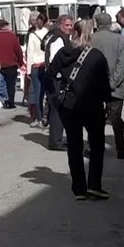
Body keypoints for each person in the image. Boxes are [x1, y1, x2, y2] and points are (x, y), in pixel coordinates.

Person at [47, 20, 112, 200]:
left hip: (68, 105)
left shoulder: (62, 53)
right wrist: (107, 102)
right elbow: (104, 84)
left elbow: (49, 75)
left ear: (74, 32)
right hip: (92, 105)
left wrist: (55, 97)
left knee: (74, 147)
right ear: (91, 33)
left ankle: (79, 189)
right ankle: (94, 185)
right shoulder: (96, 56)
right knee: (97, 146)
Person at [91, 11, 124, 159]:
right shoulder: (120, 39)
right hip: (116, 86)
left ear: (97, 23)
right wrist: (113, 82)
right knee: (116, 118)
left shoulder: (90, 39)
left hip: (95, 87)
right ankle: (120, 148)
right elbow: (122, 64)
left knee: (95, 119)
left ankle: (95, 147)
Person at [42, 15, 75, 149]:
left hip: (54, 78)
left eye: (71, 25)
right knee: (57, 110)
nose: (69, 28)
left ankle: (57, 138)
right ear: (60, 24)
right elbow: (56, 61)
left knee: (58, 109)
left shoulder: (55, 36)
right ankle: (55, 141)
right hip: (56, 78)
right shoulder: (58, 39)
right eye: (67, 25)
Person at [25, 13, 50, 125]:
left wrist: (28, 71)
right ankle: (48, 116)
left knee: (38, 93)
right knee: (49, 92)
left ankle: (39, 118)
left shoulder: (32, 35)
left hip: (36, 66)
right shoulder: (49, 34)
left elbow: (29, 54)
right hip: (47, 65)